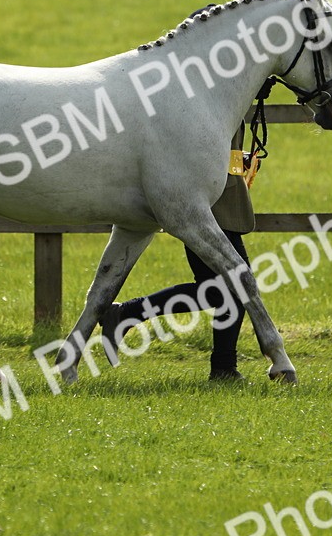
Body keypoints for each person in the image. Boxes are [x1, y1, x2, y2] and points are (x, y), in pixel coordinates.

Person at [99, 127, 256, 381]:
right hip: (208, 201)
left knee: (219, 290)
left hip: (218, 195)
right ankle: (223, 367)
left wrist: (236, 158)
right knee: (237, 285)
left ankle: (128, 314)